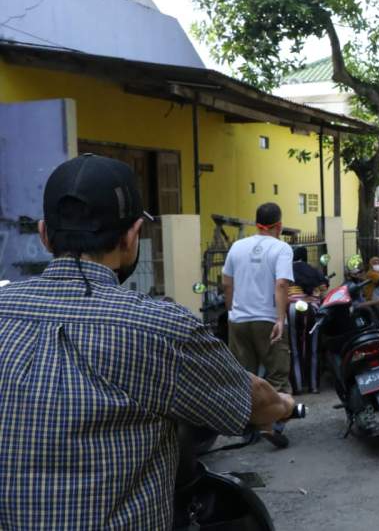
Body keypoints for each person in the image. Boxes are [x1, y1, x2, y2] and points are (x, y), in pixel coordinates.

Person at [0, 154, 294, 529]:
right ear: (131, 236)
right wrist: (284, 404)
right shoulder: (159, 327)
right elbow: (250, 398)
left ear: (44, 235)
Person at [223, 202, 295, 448]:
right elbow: (282, 285)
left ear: (256, 224)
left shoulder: (236, 246)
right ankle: (273, 423)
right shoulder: (282, 248)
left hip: (239, 320)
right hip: (266, 320)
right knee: (277, 373)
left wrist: (232, 311)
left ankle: (248, 427)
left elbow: (227, 284)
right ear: (279, 226)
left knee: (245, 376)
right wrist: (280, 319)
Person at [288, 246, 328, 394]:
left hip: (293, 308)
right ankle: (314, 386)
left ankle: (297, 386)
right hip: (313, 309)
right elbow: (324, 290)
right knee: (314, 348)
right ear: (305, 257)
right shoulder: (315, 271)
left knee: (294, 349)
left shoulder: (287, 270)